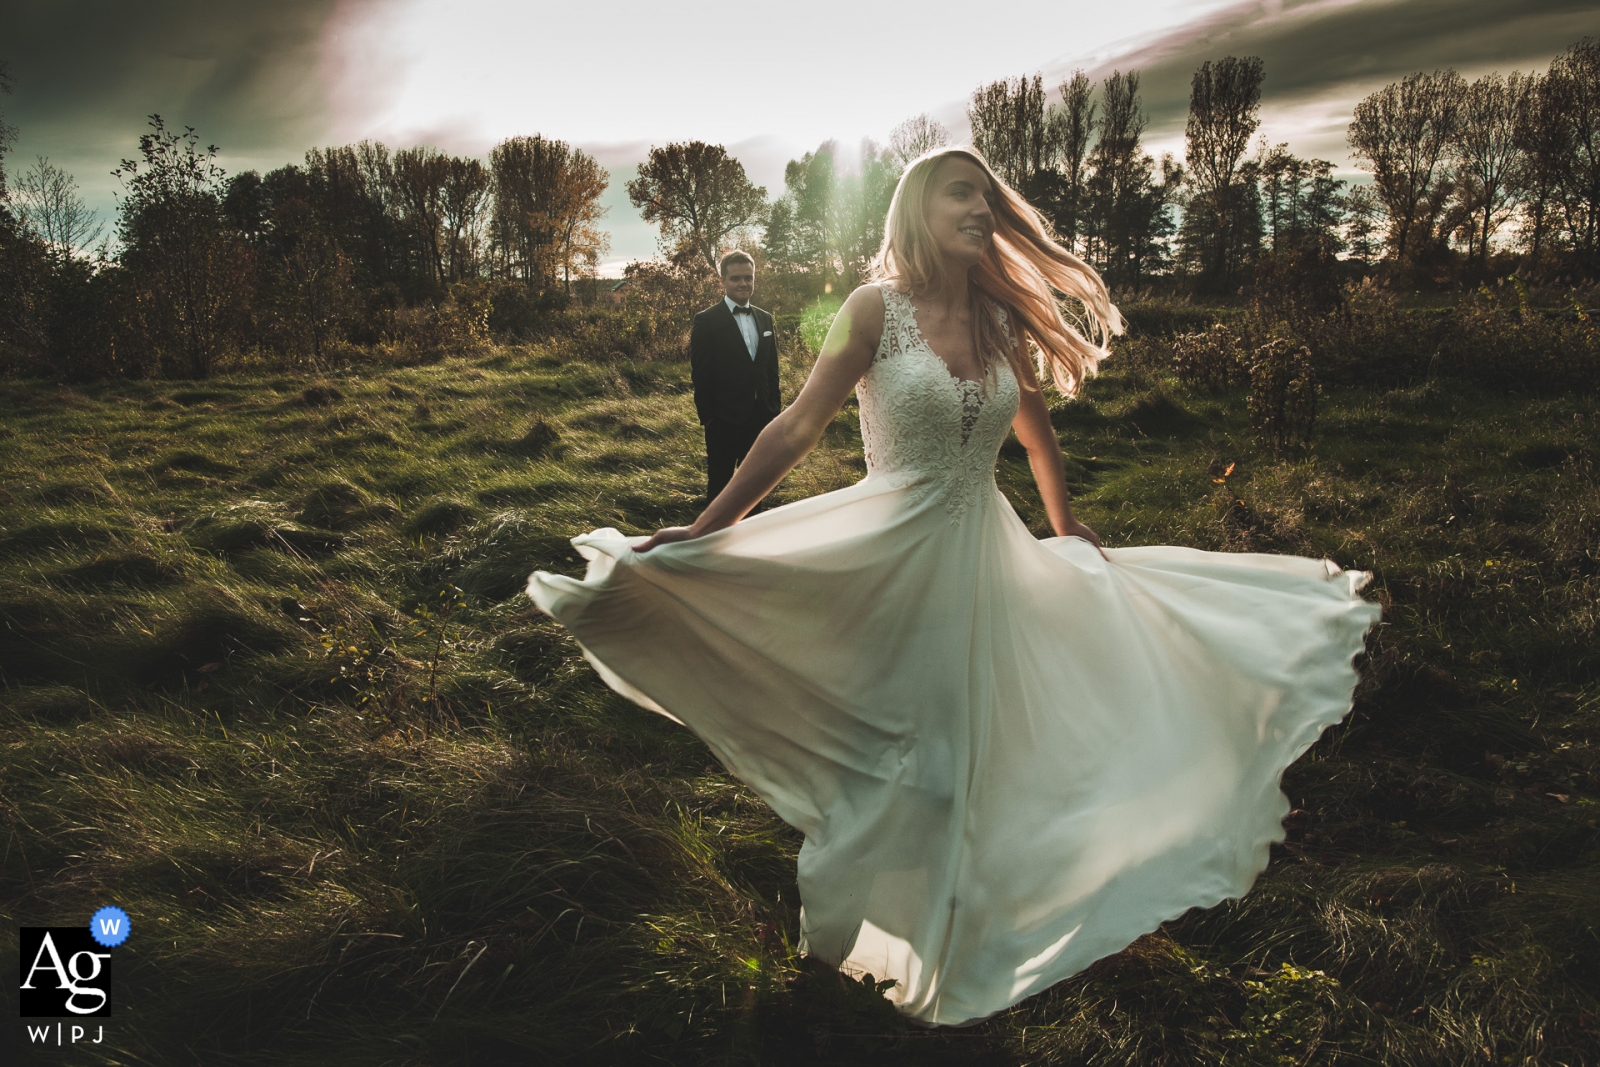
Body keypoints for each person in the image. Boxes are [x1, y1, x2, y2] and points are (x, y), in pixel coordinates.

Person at [527, 148, 1379, 1026]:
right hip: (887, 559)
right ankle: (828, 962)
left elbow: (1038, 436)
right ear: (915, 211)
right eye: (959, 193)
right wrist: (710, 530)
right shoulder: (873, 310)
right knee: (894, 760)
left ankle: (937, 934)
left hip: (983, 557)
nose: (980, 207)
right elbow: (795, 427)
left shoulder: (999, 318)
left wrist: (1065, 524)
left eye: (986, 195)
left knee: (968, 757)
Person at [690, 250, 782, 503]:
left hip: (760, 417)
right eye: (736, 278)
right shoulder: (706, 321)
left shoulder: (765, 319)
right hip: (723, 420)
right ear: (722, 281)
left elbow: (771, 370)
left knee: (755, 486)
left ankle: (751, 537)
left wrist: (773, 410)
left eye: (749, 278)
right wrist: (709, 418)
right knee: (720, 484)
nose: (743, 283)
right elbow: (701, 373)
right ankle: (715, 539)